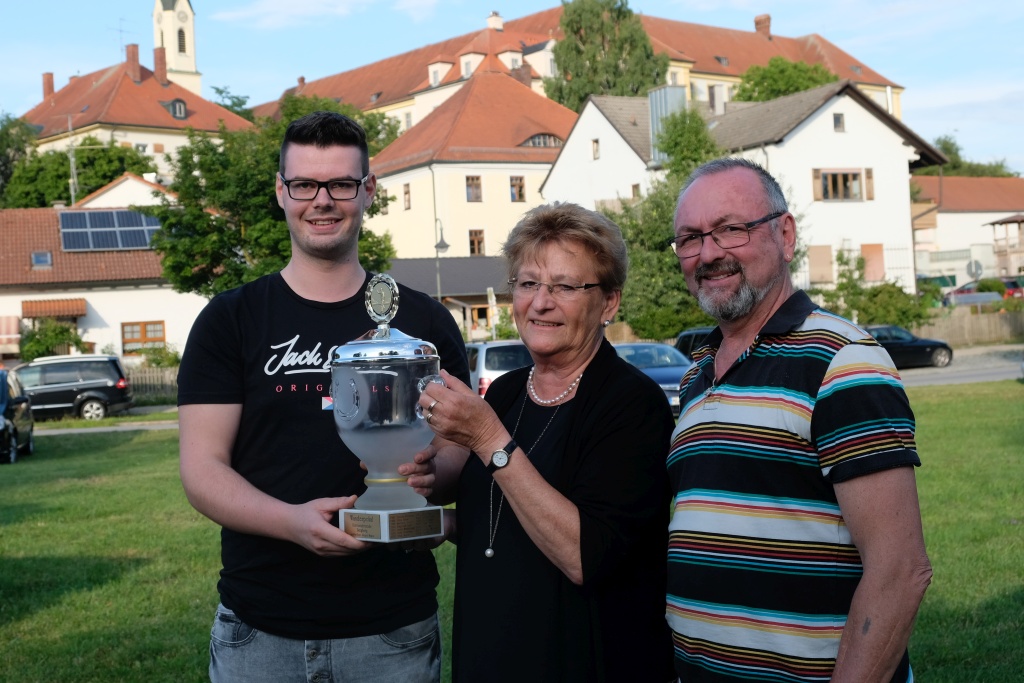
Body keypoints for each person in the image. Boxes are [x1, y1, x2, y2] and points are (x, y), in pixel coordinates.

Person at [177, 111, 469, 683]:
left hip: (392, 628)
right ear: (281, 192)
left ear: (368, 191)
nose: (322, 201)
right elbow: (201, 469)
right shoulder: (229, 320)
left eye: (340, 184)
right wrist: (290, 522)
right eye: (304, 185)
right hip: (259, 628)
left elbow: (460, 446)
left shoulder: (423, 321)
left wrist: (431, 475)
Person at [665, 157, 932, 682]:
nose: (709, 253)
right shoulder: (698, 372)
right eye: (690, 238)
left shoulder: (844, 360)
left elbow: (900, 571)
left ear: (784, 234)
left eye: (731, 229)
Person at [408, 203, 676, 682]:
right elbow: (497, 520)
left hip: (586, 661)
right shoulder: (509, 391)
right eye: (528, 283)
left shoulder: (633, 404)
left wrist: (489, 438)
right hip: (492, 653)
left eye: (566, 286)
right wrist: (425, 512)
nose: (540, 302)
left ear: (609, 303)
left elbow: (584, 555)